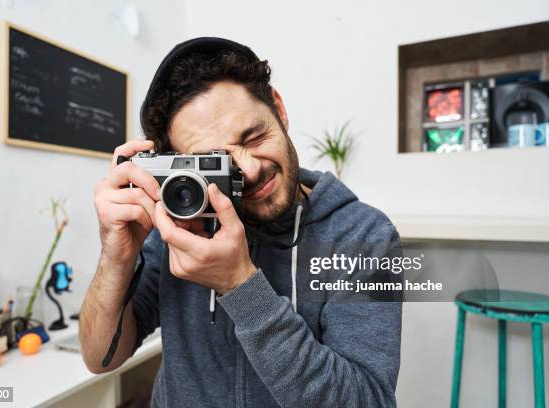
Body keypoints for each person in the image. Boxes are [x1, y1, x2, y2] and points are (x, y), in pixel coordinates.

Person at [80, 37, 402, 407]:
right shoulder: (180, 223)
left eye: (254, 136)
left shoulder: (364, 236)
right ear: (179, 168)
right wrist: (116, 256)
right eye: (214, 163)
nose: (248, 170)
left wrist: (240, 286)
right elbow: (100, 358)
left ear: (278, 109)